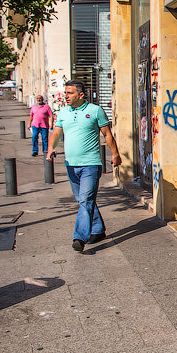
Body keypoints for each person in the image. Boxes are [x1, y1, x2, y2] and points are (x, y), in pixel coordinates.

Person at [47, 80, 122, 253]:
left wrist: (115, 154)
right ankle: (97, 230)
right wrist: (51, 147)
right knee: (83, 201)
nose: (65, 96)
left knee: (86, 200)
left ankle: (80, 237)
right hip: (71, 165)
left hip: (91, 164)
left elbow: (107, 134)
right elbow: (57, 132)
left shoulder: (95, 111)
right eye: (65, 92)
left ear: (81, 95)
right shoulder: (64, 112)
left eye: (69, 93)